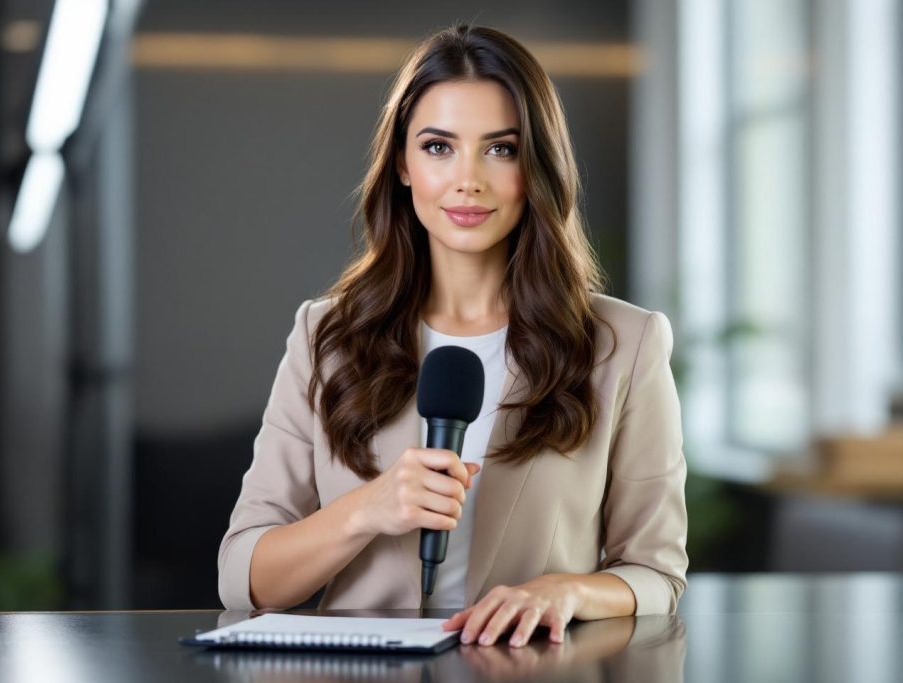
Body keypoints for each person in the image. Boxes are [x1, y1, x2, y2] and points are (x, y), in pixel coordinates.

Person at [218, 24, 688, 648]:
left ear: (538, 166)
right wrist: (368, 510)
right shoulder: (326, 335)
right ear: (403, 166)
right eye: (439, 147)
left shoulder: (623, 343)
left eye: (501, 149)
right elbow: (242, 577)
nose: (468, 180)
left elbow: (656, 573)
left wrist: (569, 589)